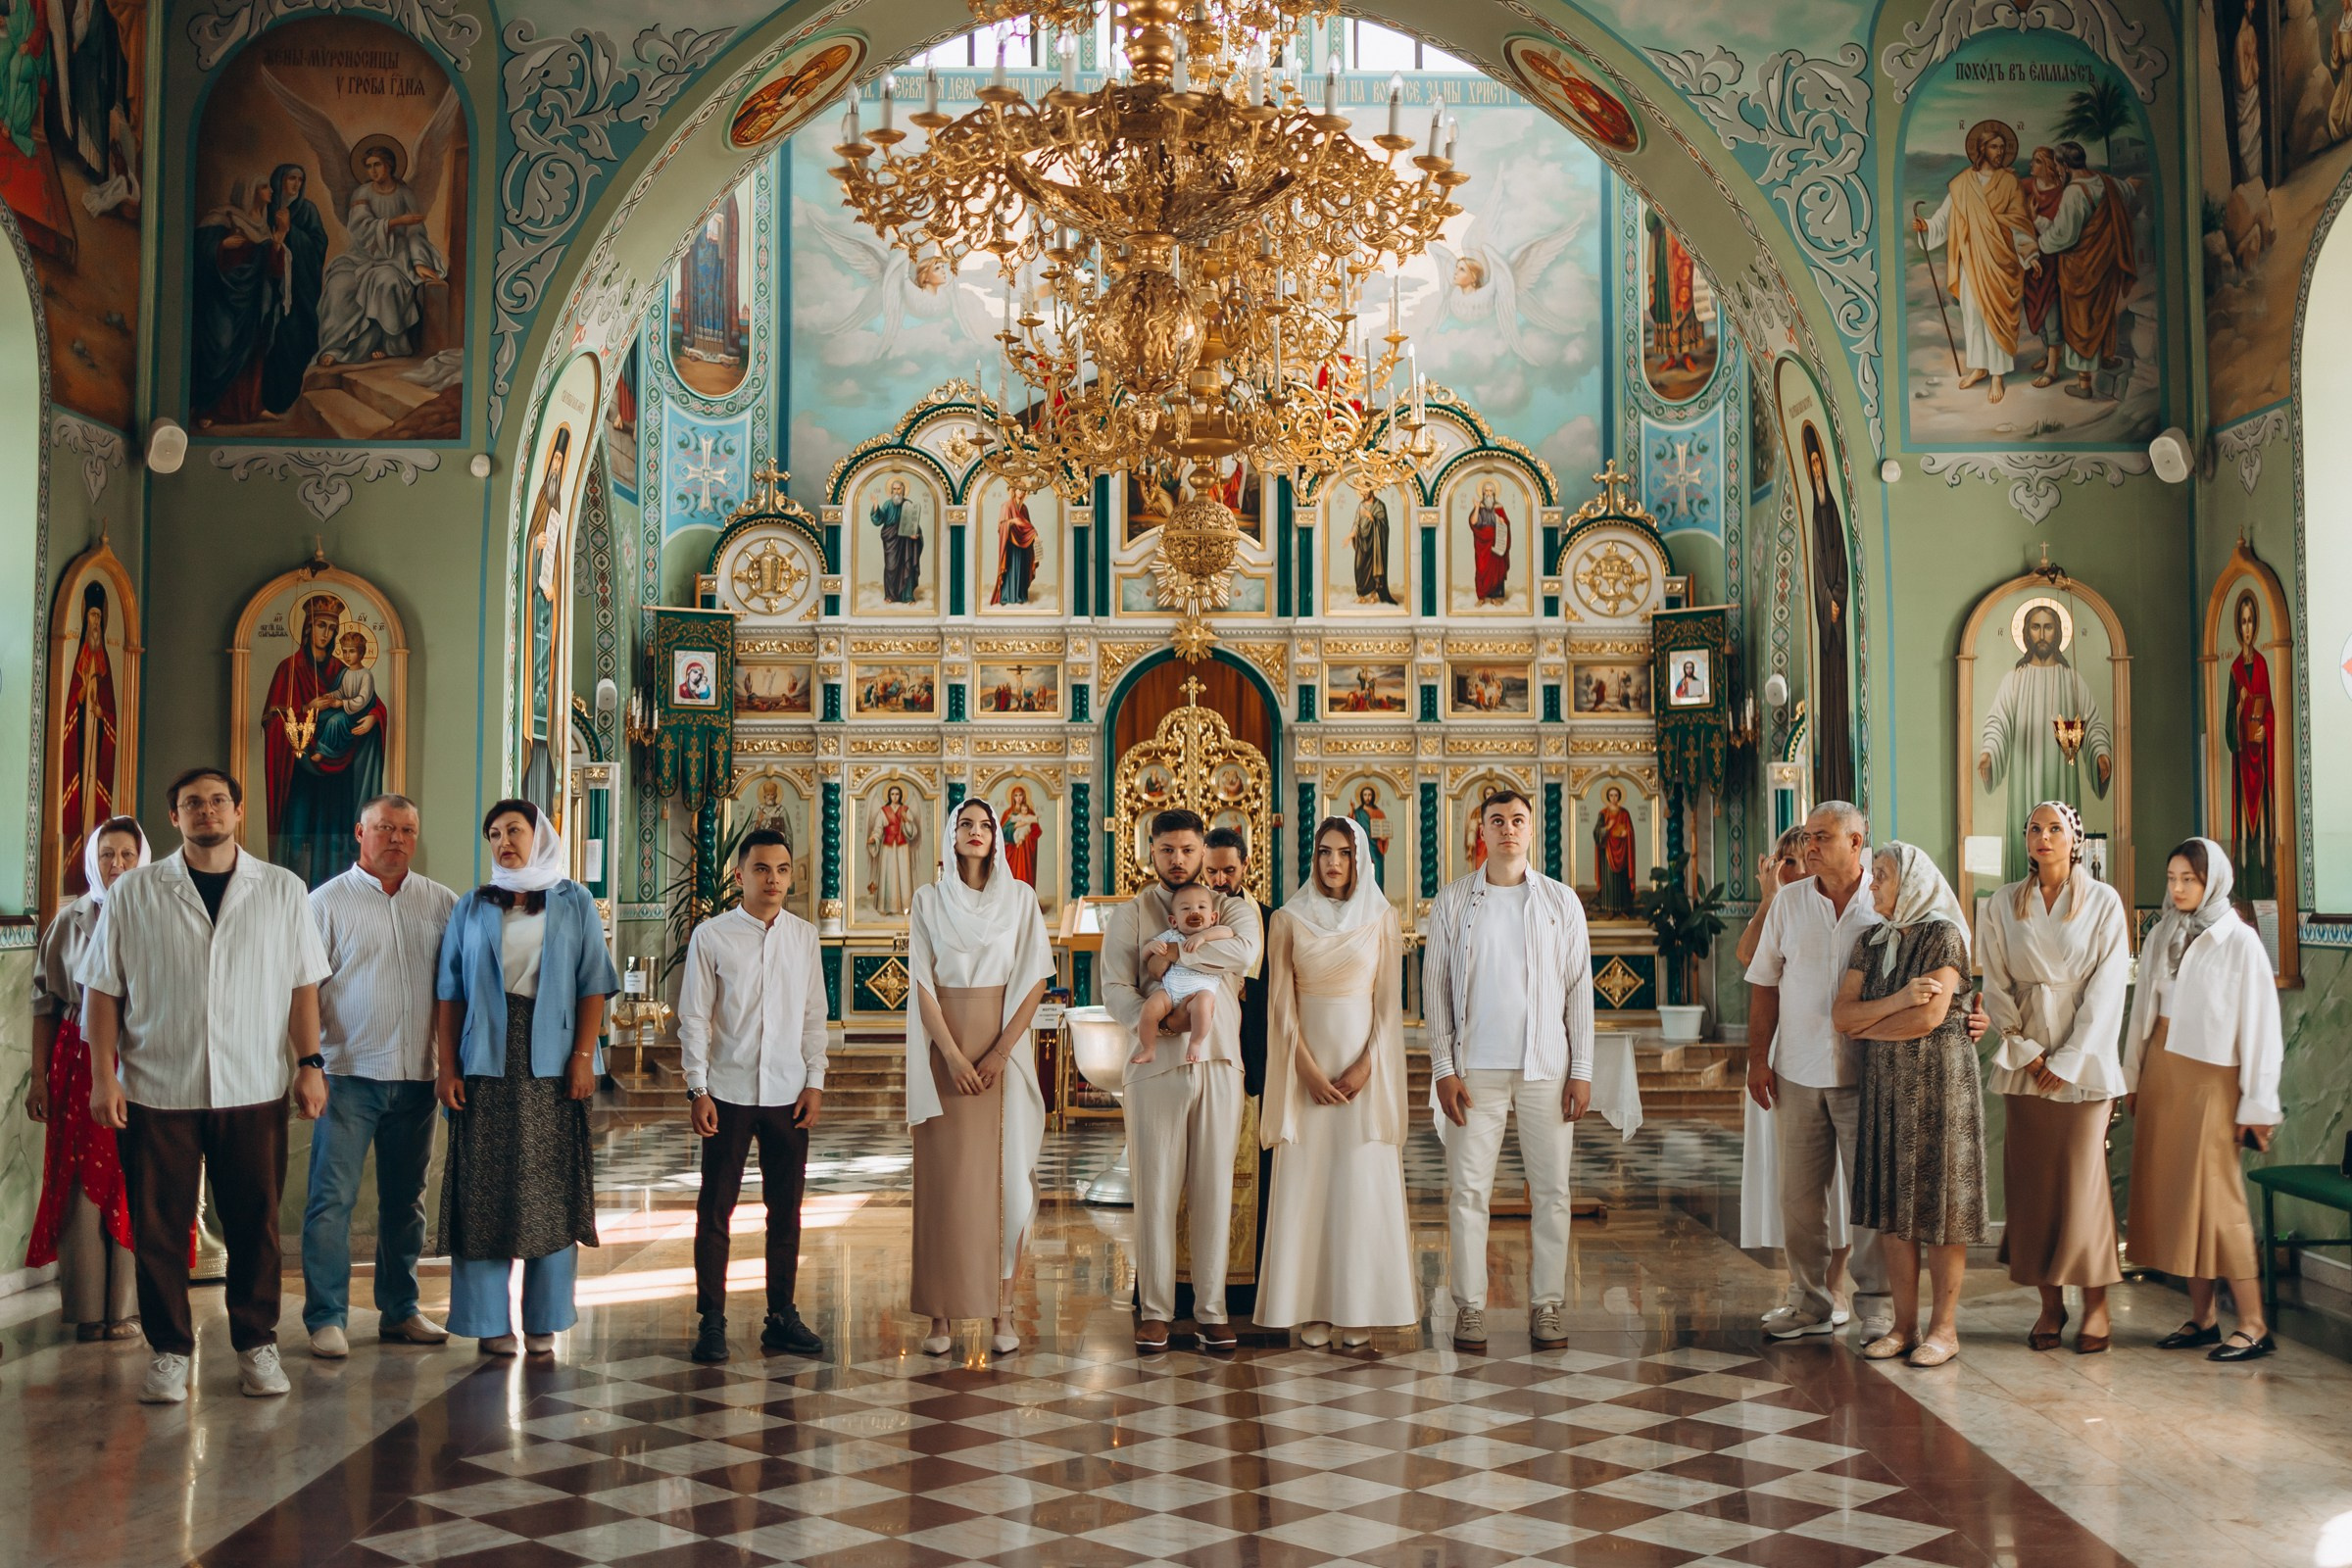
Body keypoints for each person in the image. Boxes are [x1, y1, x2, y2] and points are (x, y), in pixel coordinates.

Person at [80, 766, 331, 1404]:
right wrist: (103, 1076)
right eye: (193, 802)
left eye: (218, 801)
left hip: (253, 1083)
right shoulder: (134, 893)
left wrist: (310, 1063)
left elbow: (304, 986)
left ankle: (255, 1343)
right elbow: (103, 992)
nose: (207, 811)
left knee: (255, 1223)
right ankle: (168, 1350)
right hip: (156, 1086)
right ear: (175, 817)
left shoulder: (282, 890)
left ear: (237, 812)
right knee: (159, 1227)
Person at [433, 801, 616, 1356]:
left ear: (540, 836)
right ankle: (490, 1322)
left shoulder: (573, 900)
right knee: (483, 1190)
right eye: (494, 833)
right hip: (485, 1066)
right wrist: (446, 1069)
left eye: (515, 829)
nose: (503, 840)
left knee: (550, 1191)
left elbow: (593, 985)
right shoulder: (471, 905)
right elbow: (450, 994)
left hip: (555, 1068)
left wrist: (583, 1057)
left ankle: (544, 1319)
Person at [1423, 788, 1593, 1350]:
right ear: (1482, 829)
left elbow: (1578, 994)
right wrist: (1445, 1067)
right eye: (1497, 820)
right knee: (1468, 1191)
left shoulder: (1561, 902)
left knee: (1552, 1192)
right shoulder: (1452, 902)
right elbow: (1436, 993)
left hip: (1547, 1067)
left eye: (1518, 820)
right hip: (1477, 1070)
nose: (1508, 830)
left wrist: (1582, 1069)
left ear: (1531, 829)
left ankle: (1546, 1304)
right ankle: (1470, 1307)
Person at [302, 795, 458, 1358]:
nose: (396, 838)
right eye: (384, 828)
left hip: (418, 1075)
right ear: (358, 833)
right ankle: (327, 1317)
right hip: (347, 1076)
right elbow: (303, 994)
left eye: (406, 830)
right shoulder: (324, 904)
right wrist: (309, 1066)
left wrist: (448, 1066)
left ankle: (401, 1310)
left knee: (406, 1201)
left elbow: (454, 993)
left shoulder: (442, 904)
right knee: (331, 1200)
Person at [1101, 809, 1263, 1350]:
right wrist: (1163, 1016)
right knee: (1155, 1189)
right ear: (1152, 853)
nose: (1178, 860)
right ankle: (1155, 1309)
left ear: (1203, 853)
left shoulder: (1234, 909)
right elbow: (1116, 987)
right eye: (1167, 850)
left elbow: (1247, 953)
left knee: (1214, 1187)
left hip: (1219, 1061)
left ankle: (1212, 1308)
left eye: (1188, 850)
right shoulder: (1131, 913)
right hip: (1156, 1068)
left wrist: (1173, 953)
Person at [1969, 800, 2128, 1352]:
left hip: (2084, 1066)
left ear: (2074, 840)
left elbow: (2108, 991)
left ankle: (2098, 1307)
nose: (2043, 837)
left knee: (2083, 1185)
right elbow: (1996, 986)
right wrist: (2029, 1053)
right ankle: (2050, 1306)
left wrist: (2067, 1060)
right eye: (2034, 829)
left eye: (2054, 829)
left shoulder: (2104, 902)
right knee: (2034, 1186)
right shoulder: (2001, 905)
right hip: (2024, 1066)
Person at [903, 801, 1054, 1356]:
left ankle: (1003, 1312)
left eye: (985, 826)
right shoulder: (927, 899)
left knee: (1010, 1188)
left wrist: (998, 1053)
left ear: (997, 838)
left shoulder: (1019, 900)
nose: (976, 833)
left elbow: (1036, 977)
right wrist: (953, 1055)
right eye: (965, 824)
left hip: (1002, 1055)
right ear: (950, 834)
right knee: (945, 1188)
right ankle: (940, 1318)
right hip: (944, 1054)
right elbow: (921, 980)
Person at [2122, 839, 2283, 1363]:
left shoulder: (2240, 942)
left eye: (2188, 879)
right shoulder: (2163, 932)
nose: (2177, 888)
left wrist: (2257, 1104)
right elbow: (2142, 1008)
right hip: (2163, 1071)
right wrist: (2133, 1076)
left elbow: (2262, 1029)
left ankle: (2255, 1323)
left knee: (2218, 1200)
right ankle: (2203, 1317)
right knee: (2175, 1195)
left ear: (2212, 880)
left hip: (2214, 1080)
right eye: (2171, 878)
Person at [1258, 818, 1417, 1347]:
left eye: (1343, 853)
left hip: (1360, 1072)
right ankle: (1311, 1308)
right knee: (1310, 1183)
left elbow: (1389, 1006)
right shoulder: (1287, 918)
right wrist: (1303, 1067)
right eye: (1324, 852)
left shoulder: (1381, 918)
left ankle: (1356, 1309)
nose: (1332, 863)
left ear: (1359, 859)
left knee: (1357, 1184)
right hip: (1307, 1069)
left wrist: (1367, 1065)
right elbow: (1280, 1004)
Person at [1743, 801, 1891, 1344]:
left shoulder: (1883, 899)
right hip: (1798, 1069)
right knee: (1800, 1197)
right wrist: (1759, 1059)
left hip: (1867, 1072)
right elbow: (1764, 982)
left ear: (1856, 843)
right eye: (1807, 836)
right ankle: (1807, 1301)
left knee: (1870, 1196)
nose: (1808, 846)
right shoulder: (1789, 903)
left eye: (1821, 837)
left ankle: (1877, 1304)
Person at [678, 829, 828, 1364]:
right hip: (730, 1090)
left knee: (785, 1211)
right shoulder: (712, 937)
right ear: (739, 875)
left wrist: (816, 1081)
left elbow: (814, 1017)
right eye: (762, 869)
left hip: (788, 1092)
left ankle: (781, 1315)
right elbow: (694, 1016)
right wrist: (698, 1087)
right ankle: (711, 1320)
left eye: (783, 869)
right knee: (715, 1208)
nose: (774, 879)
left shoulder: (803, 937)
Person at [1833, 843, 1984, 1367]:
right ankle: (1903, 1325)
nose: (1872, 884)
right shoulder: (1872, 940)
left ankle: (1944, 1330)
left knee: (1941, 1206)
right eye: (1873, 874)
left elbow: (1930, 1019)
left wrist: (1870, 1025)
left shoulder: (1943, 934)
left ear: (1913, 883)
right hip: (1887, 1088)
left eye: (1883, 876)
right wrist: (1895, 1003)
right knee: (1896, 1207)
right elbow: (1842, 1017)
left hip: (1941, 1086)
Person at [25, 816, 147, 1343]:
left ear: (141, 859)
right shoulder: (69, 919)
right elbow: (44, 1002)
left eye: (125, 855)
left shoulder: (155, 912)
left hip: (141, 1059)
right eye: (106, 855)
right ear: (92, 860)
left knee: (132, 1178)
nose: (116, 865)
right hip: (75, 1064)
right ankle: (85, 1309)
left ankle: (124, 1308)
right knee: (79, 1185)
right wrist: (38, 1078)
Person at [1734, 828, 1852, 1319]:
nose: (1797, 865)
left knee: (1846, 1185)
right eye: (1786, 859)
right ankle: (1803, 1290)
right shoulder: (1784, 905)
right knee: (1796, 1184)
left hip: (1850, 1059)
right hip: (1789, 1056)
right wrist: (1769, 898)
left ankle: (1840, 1286)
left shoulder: (1859, 899)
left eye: (1805, 855)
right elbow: (1750, 960)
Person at [1977, 603, 2113, 881]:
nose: (2041, 634)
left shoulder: (2072, 680)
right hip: (2024, 773)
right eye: (2035, 627)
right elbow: (1997, 722)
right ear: (2026, 633)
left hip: (2063, 771)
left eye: (2048, 627)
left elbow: (2093, 723)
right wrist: (1989, 753)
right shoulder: (2014, 680)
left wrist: (2101, 754)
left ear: (2058, 633)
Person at [1913, 120, 2039, 404]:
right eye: (1994, 146)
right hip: (1971, 263)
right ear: (1981, 149)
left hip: (2001, 261)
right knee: (1973, 316)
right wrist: (1928, 228)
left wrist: (2030, 255)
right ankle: (1980, 367)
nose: (2000, 151)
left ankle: (1998, 374)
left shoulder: (2010, 183)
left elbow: (2020, 223)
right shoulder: (1962, 183)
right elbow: (1945, 219)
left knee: (2000, 316)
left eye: (2003, 147)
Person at [1202, 825, 1274, 1318]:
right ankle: (1191, 1294)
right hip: (1203, 1064)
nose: (1222, 879)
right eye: (1213, 871)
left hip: (1256, 1066)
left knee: (1258, 1181)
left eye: (1231, 869)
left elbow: (1283, 995)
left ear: (1247, 866)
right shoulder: (1189, 915)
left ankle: (1250, 1294)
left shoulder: (1272, 921)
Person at [2032, 142, 2137, 404]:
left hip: (2082, 268)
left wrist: (2039, 236)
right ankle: (2107, 358)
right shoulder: (2107, 181)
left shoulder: (2074, 193)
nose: (2057, 169)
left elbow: (2063, 236)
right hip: (2107, 263)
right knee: (2102, 313)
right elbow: (2130, 190)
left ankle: (2084, 384)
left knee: (2081, 321)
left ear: (2065, 166)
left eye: (2057, 165)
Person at [1130, 884, 1234, 1067]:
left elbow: (1228, 932)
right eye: (1186, 908)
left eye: (1201, 907)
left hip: (1201, 989)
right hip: (1170, 990)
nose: (1194, 912)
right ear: (1174, 920)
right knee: (1149, 1008)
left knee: (1203, 1007)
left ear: (1213, 917)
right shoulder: (1171, 935)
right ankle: (1148, 1048)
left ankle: (1195, 1042)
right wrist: (1151, 948)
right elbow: (1145, 953)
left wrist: (1203, 937)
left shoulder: (1213, 934)